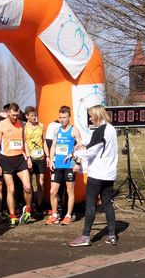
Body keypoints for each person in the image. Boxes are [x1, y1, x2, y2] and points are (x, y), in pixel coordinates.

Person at [69, 105, 119, 246]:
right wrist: (82, 143)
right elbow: (96, 141)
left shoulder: (100, 130)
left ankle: (85, 237)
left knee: (90, 204)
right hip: (109, 174)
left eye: (91, 116)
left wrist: (74, 154)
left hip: (97, 174)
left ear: (97, 115)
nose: (90, 119)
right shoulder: (111, 129)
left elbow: (91, 151)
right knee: (107, 204)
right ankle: (112, 235)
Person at [0, 103, 34, 227]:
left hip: (20, 159)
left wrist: (28, 158)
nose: (15, 117)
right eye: (13, 115)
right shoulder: (1, 125)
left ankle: (28, 210)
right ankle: (12, 216)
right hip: (6, 160)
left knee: (28, 187)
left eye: (17, 115)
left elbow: (25, 142)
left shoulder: (22, 124)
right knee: (11, 189)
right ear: (8, 113)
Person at [45, 106, 83, 225]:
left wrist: (78, 162)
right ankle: (54, 215)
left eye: (64, 117)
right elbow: (53, 146)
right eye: (60, 117)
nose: (62, 120)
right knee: (53, 192)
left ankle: (68, 215)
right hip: (58, 165)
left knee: (69, 191)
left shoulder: (74, 130)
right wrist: (51, 160)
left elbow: (81, 147)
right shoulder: (57, 130)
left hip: (69, 166)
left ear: (69, 117)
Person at [24, 106, 48, 212]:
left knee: (40, 183)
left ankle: (39, 205)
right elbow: (24, 143)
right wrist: (28, 157)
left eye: (35, 115)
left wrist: (47, 156)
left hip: (40, 157)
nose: (34, 118)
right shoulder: (24, 127)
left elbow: (44, 141)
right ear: (27, 116)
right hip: (30, 158)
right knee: (28, 184)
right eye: (32, 116)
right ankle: (29, 205)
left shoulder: (41, 126)